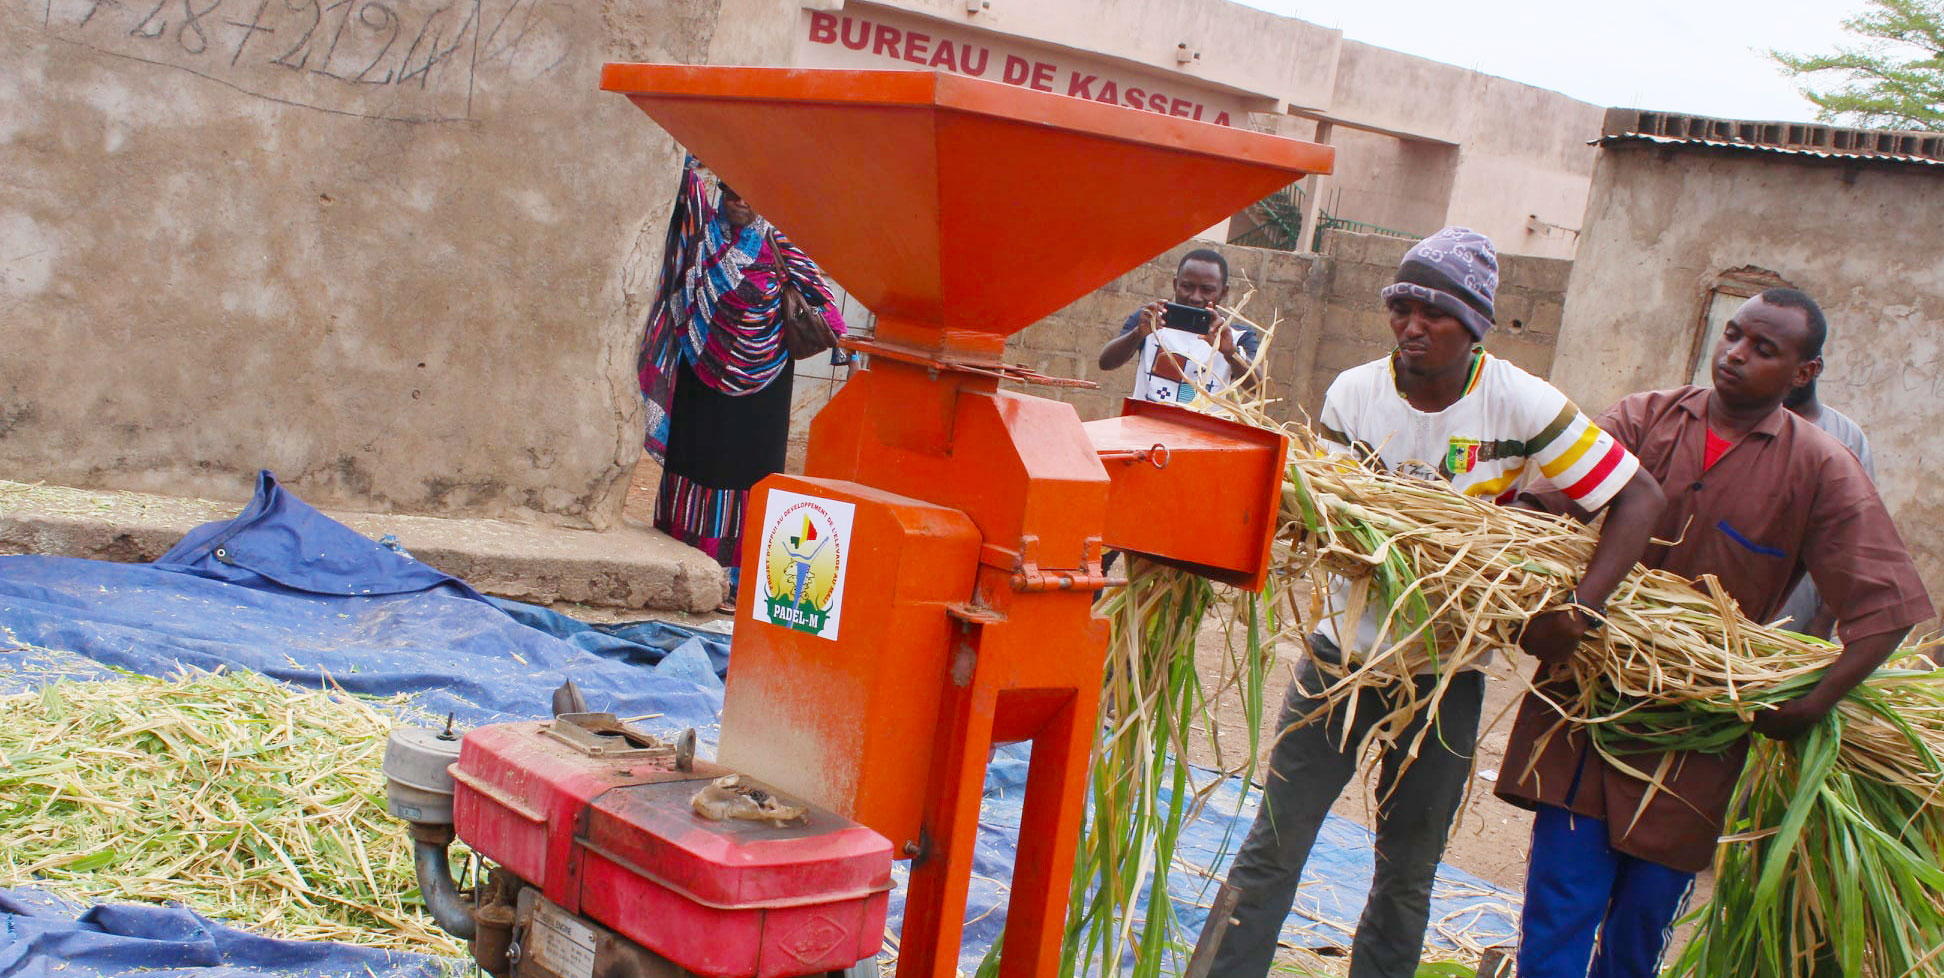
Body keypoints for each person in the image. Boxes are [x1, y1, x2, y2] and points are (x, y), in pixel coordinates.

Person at [1200, 227, 1666, 978]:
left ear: (1476, 323)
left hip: (1445, 674)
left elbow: (1639, 496)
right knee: (1272, 849)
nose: (1413, 326)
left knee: (1407, 873)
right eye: (1403, 306)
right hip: (1339, 661)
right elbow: (1336, 527)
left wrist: (1582, 611)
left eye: (1436, 312)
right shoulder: (1354, 392)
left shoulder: (1518, 401)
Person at [1497, 288, 1934, 978]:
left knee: (1639, 931)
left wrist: (1812, 703)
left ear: (1803, 373)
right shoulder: (1642, 420)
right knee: (1558, 910)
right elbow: (1537, 519)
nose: (1734, 354)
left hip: (1694, 741)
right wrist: (1543, 611)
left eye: (1764, 349)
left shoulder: (1820, 467)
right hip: (1588, 711)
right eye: (1732, 334)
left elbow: (1889, 609)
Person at [638, 157, 846, 610]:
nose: (740, 202)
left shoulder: (780, 244)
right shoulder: (700, 237)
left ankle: (736, 580)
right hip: (700, 374)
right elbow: (684, 191)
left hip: (764, 387)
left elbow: (825, 304)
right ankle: (681, 568)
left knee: (751, 480)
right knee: (695, 467)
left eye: (750, 196)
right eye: (731, 193)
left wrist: (832, 330)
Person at [1772, 371, 1876, 638]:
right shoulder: (1741, 421)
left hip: (1796, 614)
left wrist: (1823, 620)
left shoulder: (1846, 437)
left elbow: (1854, 540)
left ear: (1810, 368)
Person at [1097, 248, 1260, 403]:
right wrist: (1138, 333)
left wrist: (1230, 352)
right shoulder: (1151, 320)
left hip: (1199, 432)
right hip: (1142, 428)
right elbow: (1106, 363)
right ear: (1176, 284)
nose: (1195, 297)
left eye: (1207, 290)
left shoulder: (1236, 336)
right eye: (1187, 287)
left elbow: (1258, 389)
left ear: (1223, 292)